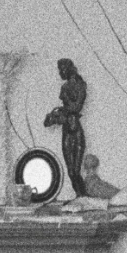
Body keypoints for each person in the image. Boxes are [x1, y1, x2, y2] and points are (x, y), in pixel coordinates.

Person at [43, 59, 90, 198]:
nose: (60, 73)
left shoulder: (80, 85)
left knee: (76, 170)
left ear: (69, 69)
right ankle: (79, 197)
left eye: (61, 69)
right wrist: (55, 115)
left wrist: (64, 106)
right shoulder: (64, 87)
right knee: (70, 171)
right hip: (67, 130)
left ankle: (83, 197)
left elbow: (76, 107)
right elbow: (51, 121)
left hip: (75, 130)